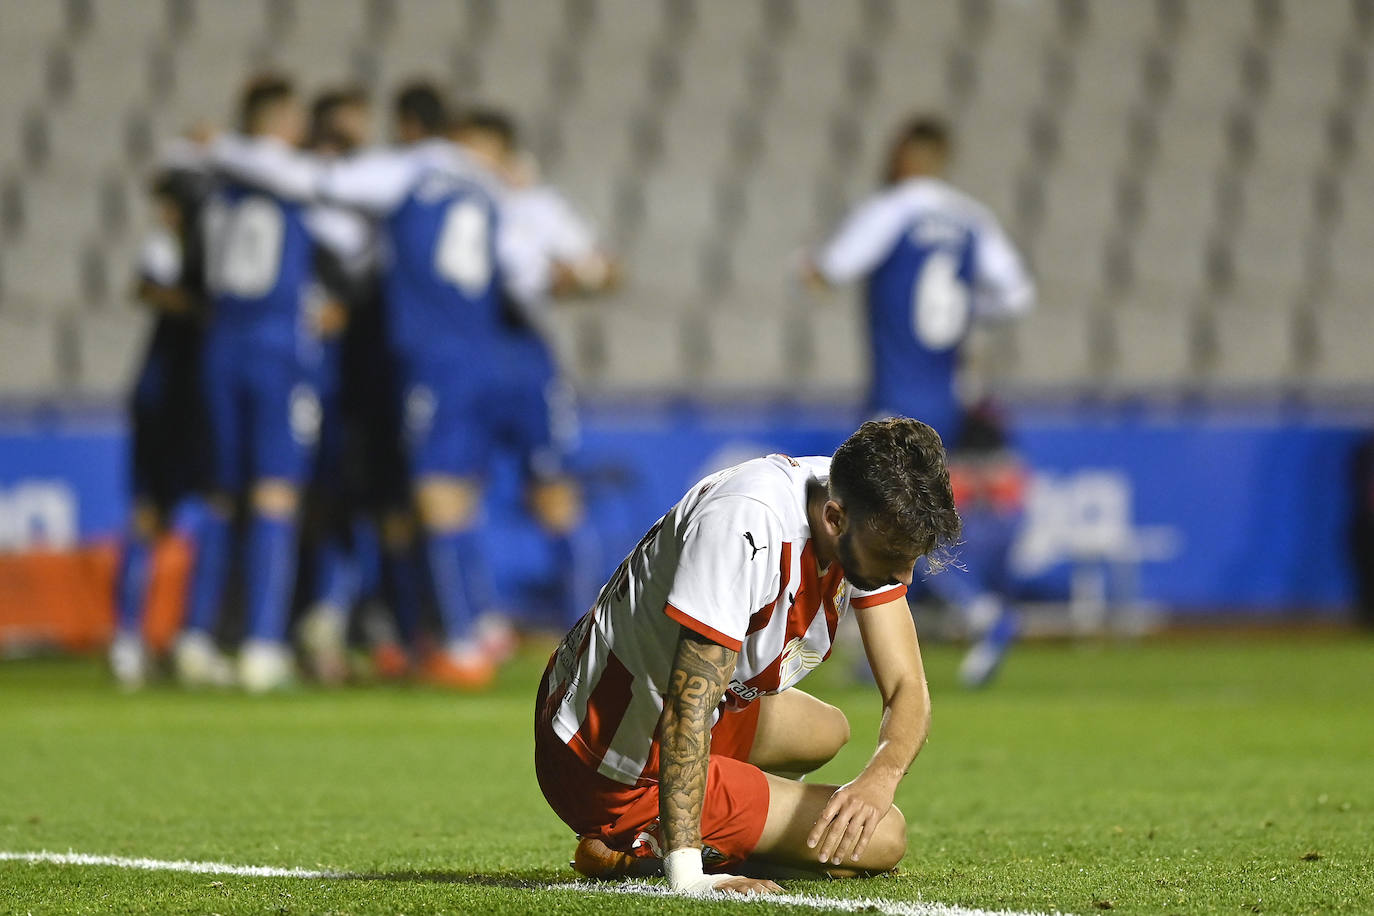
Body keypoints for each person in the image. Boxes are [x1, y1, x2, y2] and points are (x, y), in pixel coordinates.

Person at [210, 81, 550, 687]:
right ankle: (475, 628)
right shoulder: (491, 185)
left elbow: (321, 186)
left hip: (431, 357)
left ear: (413, 128)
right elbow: (529, 272)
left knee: (431, 496)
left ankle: (461, 644)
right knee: (461, 495)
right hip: (486, 353)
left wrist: (225, 149)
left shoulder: (412, 170)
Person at [535, 418, 961, 896]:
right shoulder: (747, 524)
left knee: (825, 731)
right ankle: (650, 840)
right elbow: (687, 707)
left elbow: (907, 687)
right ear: (835, 520)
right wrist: (689, 876)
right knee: (883, 839)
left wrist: (879, 779)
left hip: (630, 705)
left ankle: (722, 824)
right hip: (608, 756)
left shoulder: (856, 497)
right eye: (893, 556)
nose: (903, 577)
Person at [803, 115, 1035, 686]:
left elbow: (830, 270)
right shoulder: (970, 218)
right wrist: (964, 316)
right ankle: (868, 651)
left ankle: (983, 613)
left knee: (872, 513)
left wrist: (804, 268)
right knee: (885, 516)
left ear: (906, 155)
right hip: (946, 397)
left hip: (898, 394)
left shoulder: (893, 209)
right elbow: (1016, 293)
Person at [176, 74, 326, 691]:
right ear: (283, 124)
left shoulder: (215, 192)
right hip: (273, 350)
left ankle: (196, 638)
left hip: (219, 345)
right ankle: (262, 645)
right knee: (274, 496)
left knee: (219, 496)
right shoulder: (290, 182)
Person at [451, 106, 621, 632]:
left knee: (551, 490)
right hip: (459, 358)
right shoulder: (443, 206)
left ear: (502, 153)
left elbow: (602, 269)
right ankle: (472, 623)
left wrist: (570, 277)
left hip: (523, 359)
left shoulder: (532, 206)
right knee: (455, 490)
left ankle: (584, 628)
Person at [108, 158, 212, 688]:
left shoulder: (211, 250)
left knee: (197, 515)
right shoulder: (169, 251)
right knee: (152, 515)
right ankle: (130, 637)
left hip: (192, 398)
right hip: (168, 398)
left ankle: (190, 634)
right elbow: (147, 287)